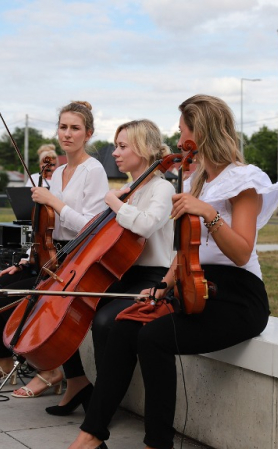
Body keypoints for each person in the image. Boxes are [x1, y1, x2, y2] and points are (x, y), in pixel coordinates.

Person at [69, 94, 278, 449]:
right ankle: (91, 435)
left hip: (237, 297)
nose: (179, 137)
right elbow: (188, 251)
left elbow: (242, 253)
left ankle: (158, 442)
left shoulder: (245, 181)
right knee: (125, 324)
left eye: (183, 129)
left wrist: (207, 213)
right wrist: (163, 286)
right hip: (195, 287)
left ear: (199, 132)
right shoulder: (198, 181)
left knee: (154, 338)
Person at [40, 118, 176, 416]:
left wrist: (114, 202)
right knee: (66, 304)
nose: (115, 152)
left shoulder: (161, 189)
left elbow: (145, 225)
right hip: (122, 272)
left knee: (104, 322)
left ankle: (104, 402)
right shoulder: (130, 188)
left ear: (143, 149)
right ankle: (79, 383)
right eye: (116, 145)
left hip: (152, 276)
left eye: (122, 146)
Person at [0, 101, 109, 395]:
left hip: (73, 259)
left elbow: (91, 228)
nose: (67, 134)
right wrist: (24, 260)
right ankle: (4, 360)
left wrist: (54, 201)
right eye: (63, 127)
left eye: (75, 128)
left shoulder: (93, 170)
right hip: (47, 256)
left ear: (88, 133)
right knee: (0, 286)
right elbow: (43, 229)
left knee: (31, 298)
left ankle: (49, 369)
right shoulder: (56, 173)